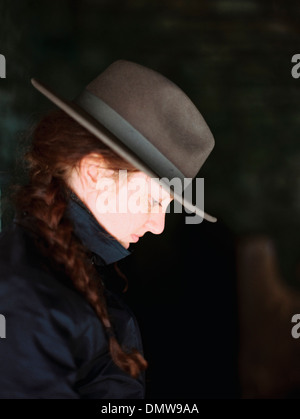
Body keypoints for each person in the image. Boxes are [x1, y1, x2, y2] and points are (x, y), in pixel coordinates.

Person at [0, 60, 215, 398]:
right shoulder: (25, 298)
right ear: (96, 172)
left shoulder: (75, 269)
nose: (158, 226)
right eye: (154, 201)